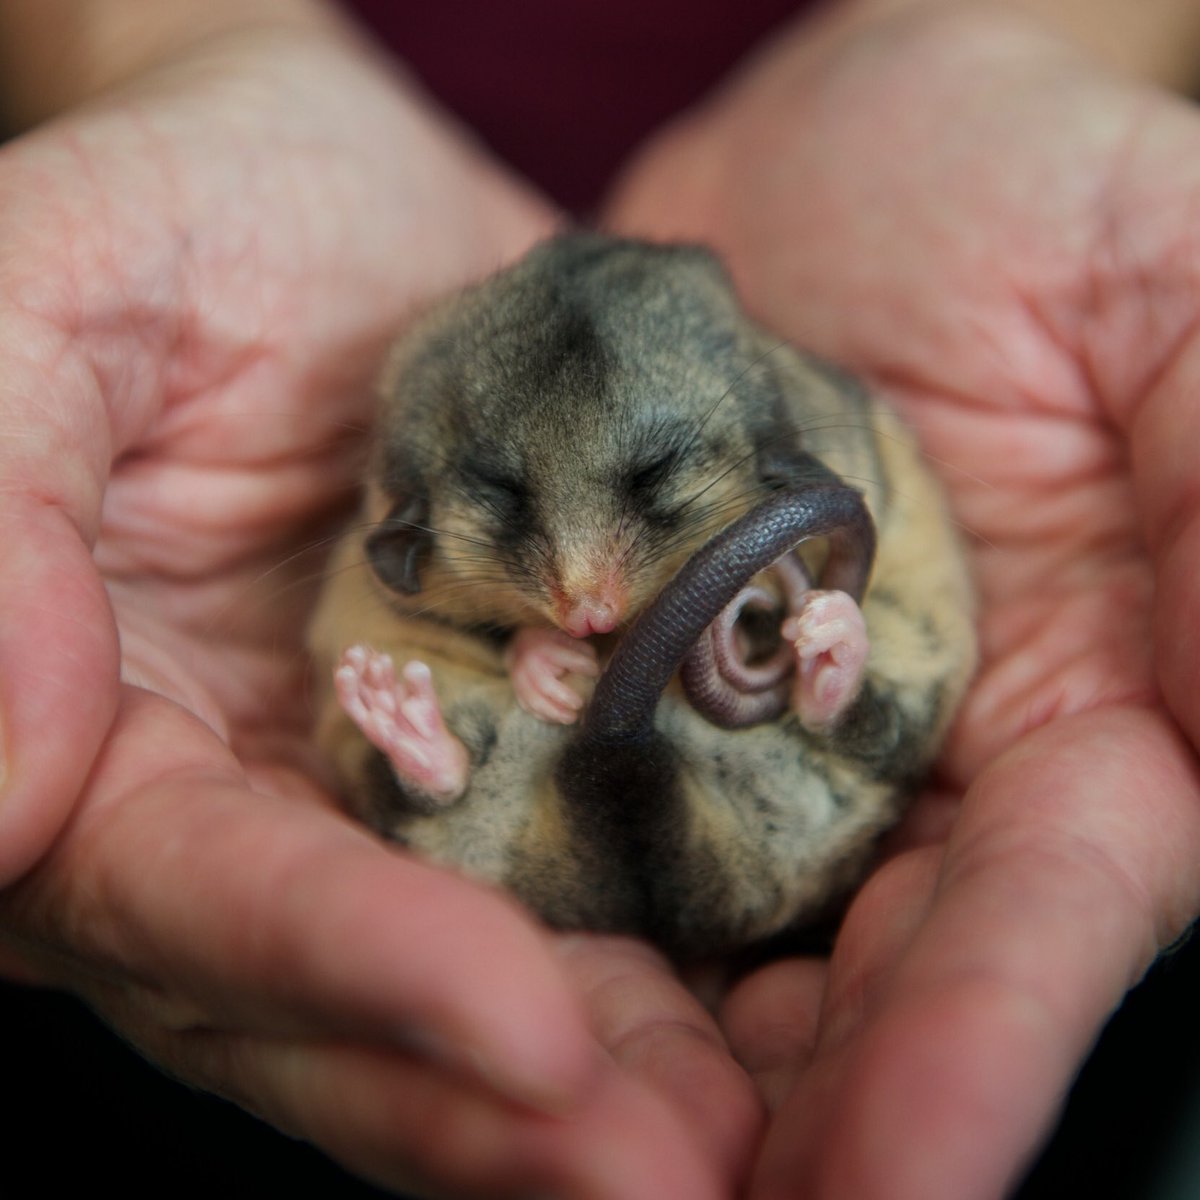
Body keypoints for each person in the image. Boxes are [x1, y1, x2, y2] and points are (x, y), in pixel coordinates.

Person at [1, 0, 1200, 1196]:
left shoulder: (791, 444)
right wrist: (161, 44)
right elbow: (420, 581)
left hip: (836, 845)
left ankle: (818, 678)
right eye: (514, 512)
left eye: (651, 483)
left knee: (968, 1076)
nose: (585, 594)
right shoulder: (424, 483)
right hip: (206, 1076)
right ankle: (437, 763)